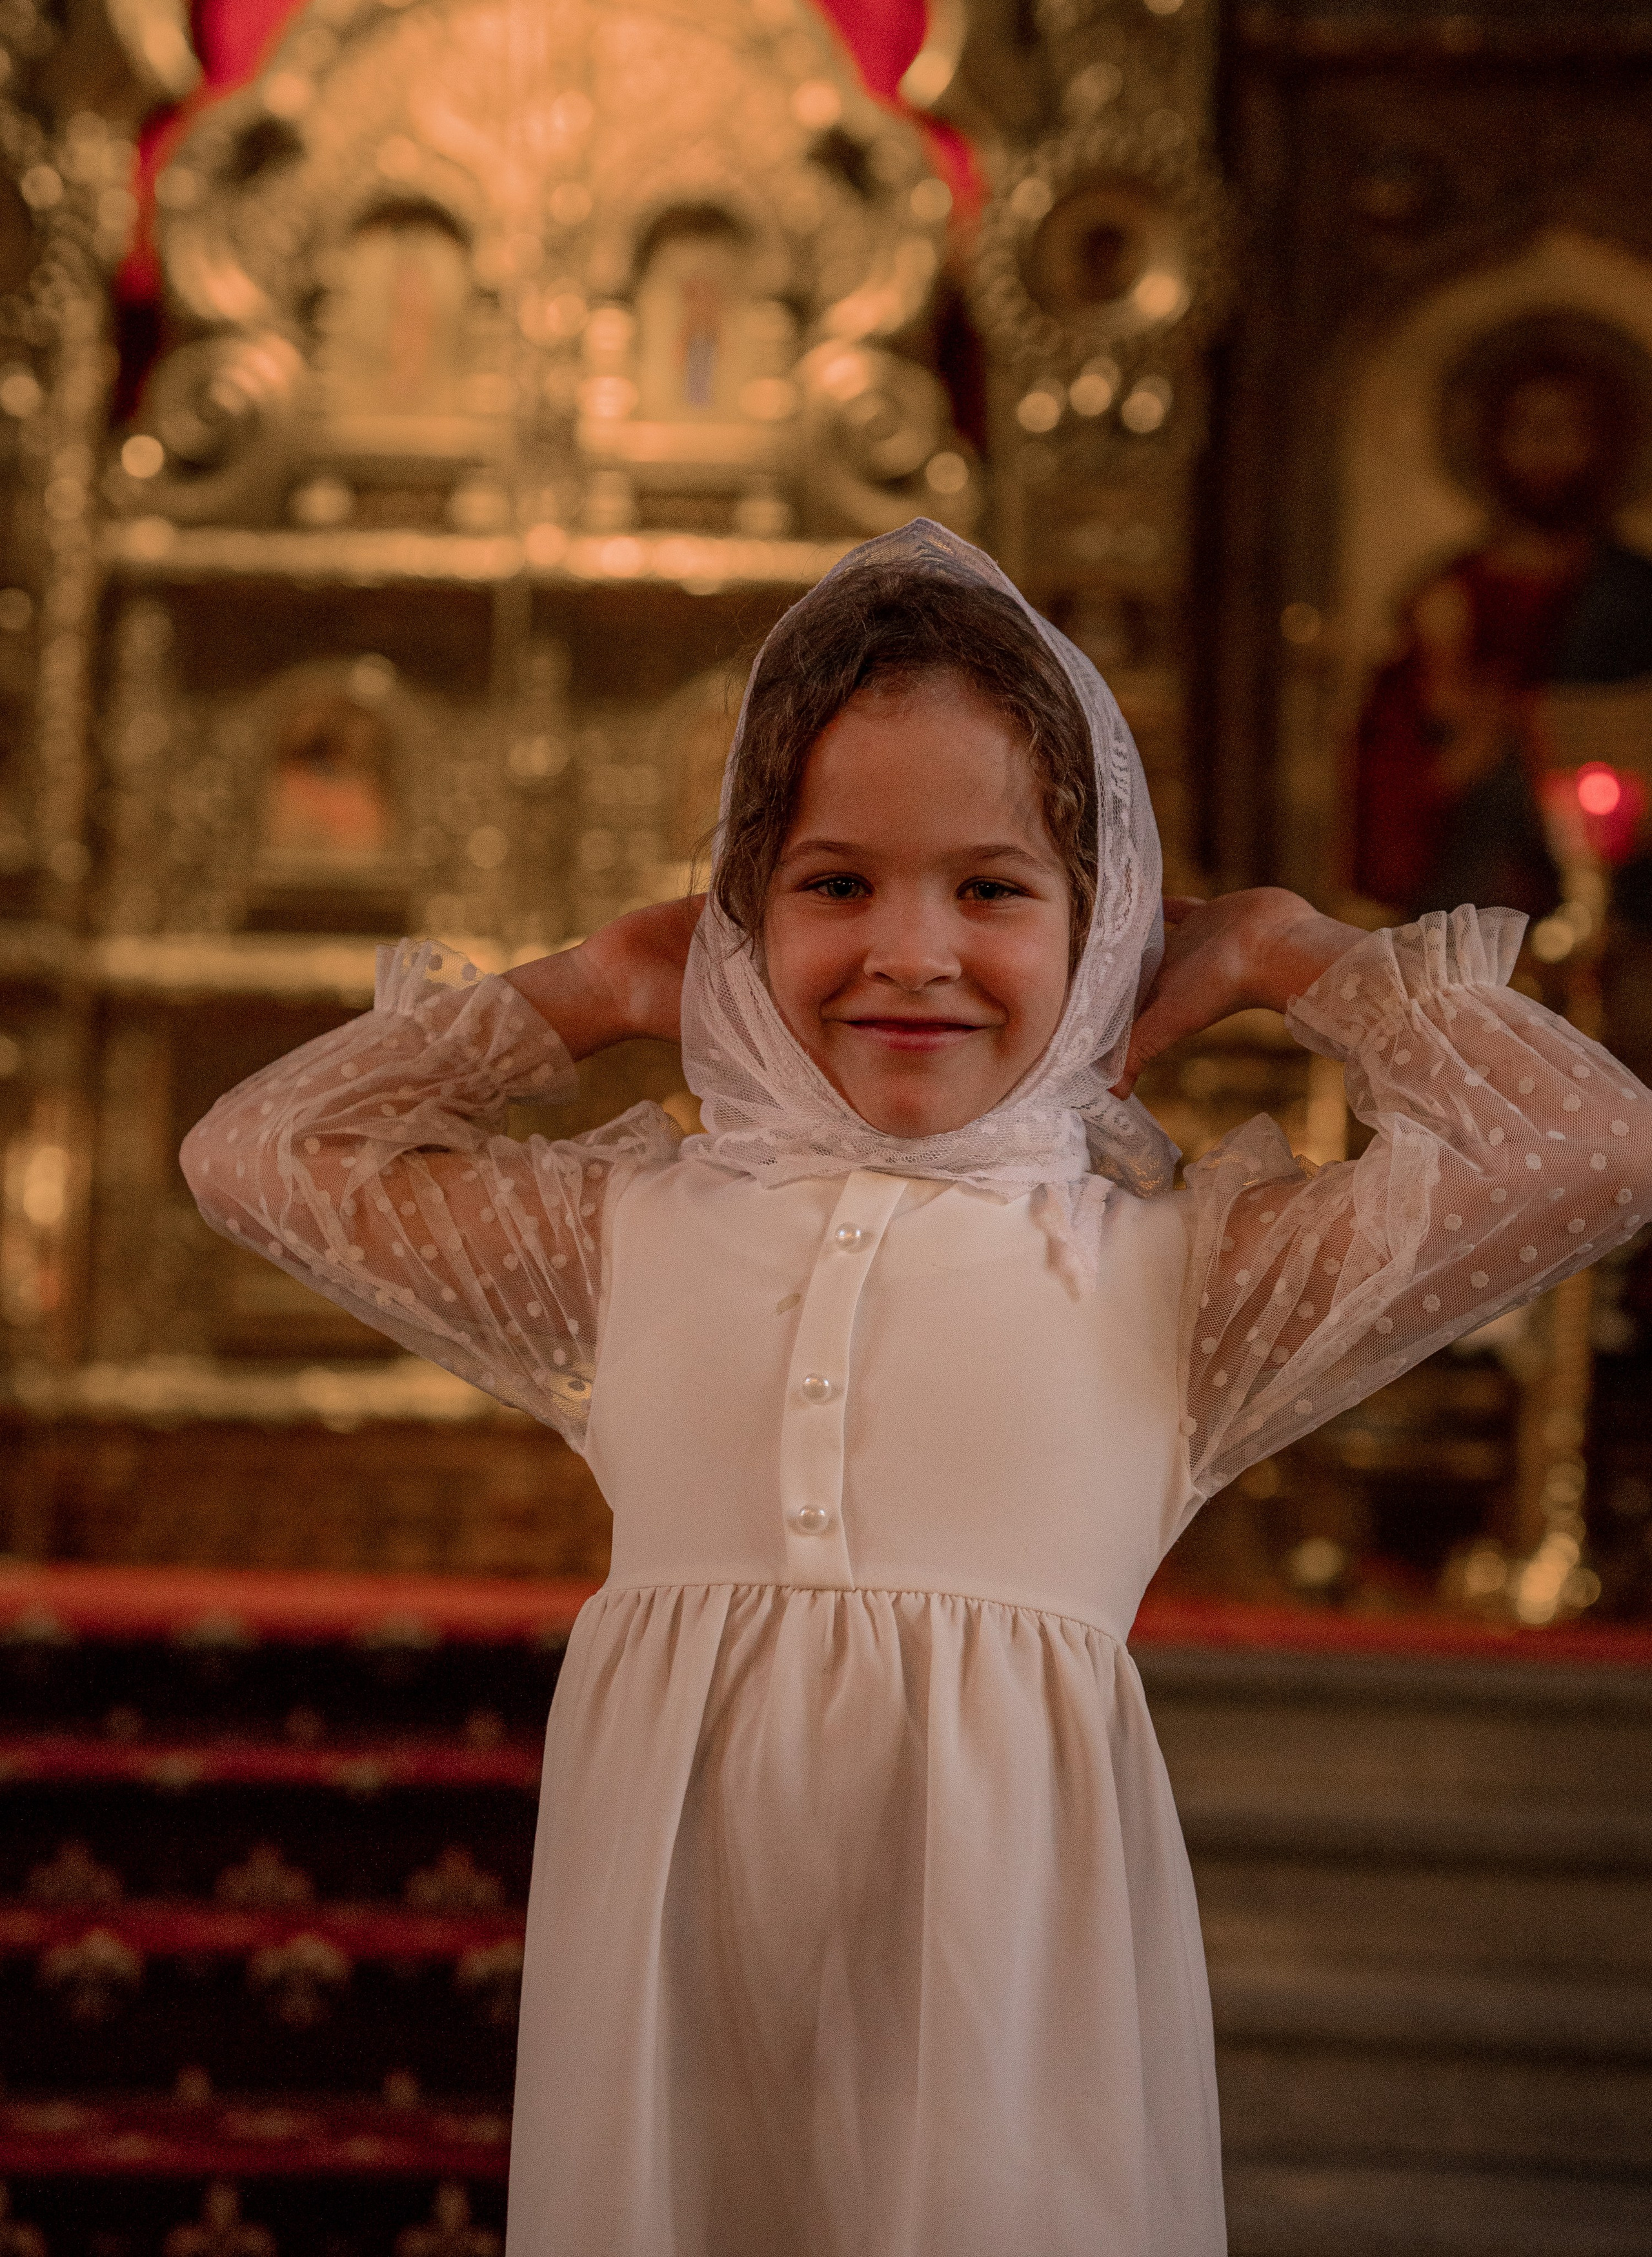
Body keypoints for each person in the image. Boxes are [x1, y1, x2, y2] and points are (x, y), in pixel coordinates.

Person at [181, 523, 1651, 2256]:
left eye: (993, 887)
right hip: (685, 2013)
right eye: (834, 882)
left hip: (1001, 2045)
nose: (912, 949)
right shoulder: (628, 1226)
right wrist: (588, 989)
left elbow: (1597, 1147)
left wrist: (1270, 946)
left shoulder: (1179, 1276)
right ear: (742, 907)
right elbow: (253, 1153)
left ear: (1104, 924)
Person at [1355, 339, 1652, 919]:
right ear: (1489, 441)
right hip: (1474, 903)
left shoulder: (1634, 594)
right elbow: (1394, 780)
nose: (1544, 450)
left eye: (1566, 427)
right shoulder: (1448, 598)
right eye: (1525, 427)